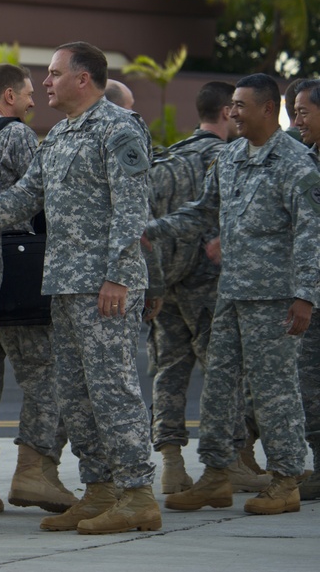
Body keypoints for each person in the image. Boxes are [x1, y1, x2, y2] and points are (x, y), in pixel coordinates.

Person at [0, 42, 161, 535]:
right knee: (76, 396)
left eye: (53, 74)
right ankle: (99, 491)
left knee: (114, 391)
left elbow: (132, 206)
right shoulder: (58, 137)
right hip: (66, 286)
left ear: (83, 79)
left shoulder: (119, 128)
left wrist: (118, 274)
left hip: (105, 287)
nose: (45, 83)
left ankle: (137, 494)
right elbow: (25, 196)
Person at [148, 73, 320, 516]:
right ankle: (217, 475)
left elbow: (311, 233)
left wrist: (305, 295)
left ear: (268, 110)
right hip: (231, 294)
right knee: (220, 388)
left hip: (275, 299)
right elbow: (204, 211)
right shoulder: (230, 157)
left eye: (242, 105)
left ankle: (285, 480)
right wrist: (154, 229)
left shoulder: (297, 164)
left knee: (275, 390)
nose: (233, 113)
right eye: (232, 106)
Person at [0, 64, 77, 516]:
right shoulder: (19, 137)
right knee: (43, 375)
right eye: (28, 93)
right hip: (18, 274)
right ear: (8, 96)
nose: (34, 101)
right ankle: (31, 470)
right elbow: (44, 198)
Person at [146, 82, 255, 494]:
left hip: (168, 277)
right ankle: (231, 460)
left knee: (169, 370)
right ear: (228, 111)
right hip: (209, 282)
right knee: (223, 371)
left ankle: (172, 464)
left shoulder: (171, 156)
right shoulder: (230, 158)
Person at [289, 78, 320, 501]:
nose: (297, 120)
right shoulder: (305, 163)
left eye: (303, 112)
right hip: (312, 293)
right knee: (308, 386)